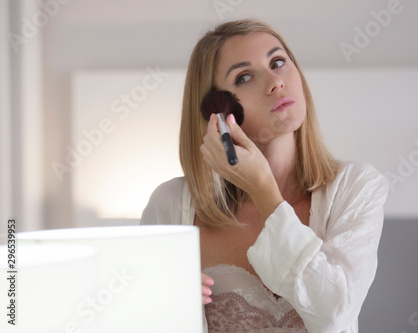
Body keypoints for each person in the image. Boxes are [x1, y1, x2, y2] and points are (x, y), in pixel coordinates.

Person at [140, 19, 388, 333]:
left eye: (278, 62)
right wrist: (166, 306)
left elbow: (332, 316)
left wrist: (262, 188)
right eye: (244, 77)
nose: (275, 82)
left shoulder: (357, 187)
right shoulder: (171, 207)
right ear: (214, 111)